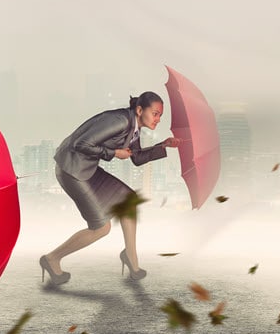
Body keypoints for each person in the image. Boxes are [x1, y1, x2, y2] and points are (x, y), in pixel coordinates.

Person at [40, 91, 181, 284]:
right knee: (101, 228)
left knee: (128, 201)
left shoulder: (134, 126)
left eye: (160, 116)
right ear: (140, 110)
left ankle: (131, 257)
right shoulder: (120, 121)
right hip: (71, 170)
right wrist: (114, 153)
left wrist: (163, 146)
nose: (158, 119)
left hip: (87, 168)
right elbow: (80, 143)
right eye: (155, 113)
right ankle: (51, 259)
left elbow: (137, 158)